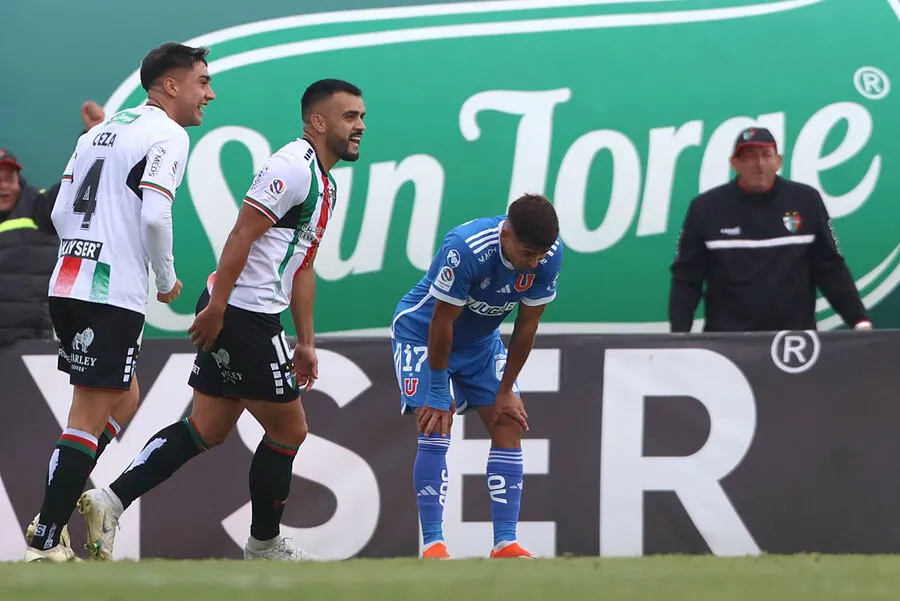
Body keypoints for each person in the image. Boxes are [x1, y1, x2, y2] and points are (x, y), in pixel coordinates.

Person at [77, 79, 366, 562]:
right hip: (241, 314)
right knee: (290, 431)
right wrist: (218, 309)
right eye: (349, 116)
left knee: (206, 428)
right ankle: (264, 545)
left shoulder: (326, 183)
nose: (359, 126)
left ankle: (110, 500)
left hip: (245, 312)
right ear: (318, 122)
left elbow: (303, 267)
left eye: (361, 117)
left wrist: (306, 342)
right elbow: (240, 235)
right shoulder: (292, 167)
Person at [23, 42, 216, 562]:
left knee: (124, 399)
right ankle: (45, 540)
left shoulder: (99, 132)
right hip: (107, 292)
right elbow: (154, 215)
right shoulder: (169, 134)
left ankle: (54, 509)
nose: (210, 94)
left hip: (69, 282)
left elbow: (60, 212)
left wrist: (86, 250)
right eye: (202, 82)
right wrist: (165, 277)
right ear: (170, 85)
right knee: (86, 416)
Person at [390, 194, 563, 559]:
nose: (534, 262)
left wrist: (506, 389)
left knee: (509, 421)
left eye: (540, 254)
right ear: (506, 234)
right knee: (436, 422)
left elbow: (527, 326)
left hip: (481, 343)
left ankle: (505, 543)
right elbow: (441, 320)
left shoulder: (548, 255)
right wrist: (438, 388)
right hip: (422, 333)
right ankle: (433, 545)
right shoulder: (466, 248)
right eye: (528, 253)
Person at [668, 126, 872, 333]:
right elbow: (687, 278)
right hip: (728, 339)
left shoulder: (806, 201)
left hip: (794, 339)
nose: (759, 164)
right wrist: (679, 334)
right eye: (749, 156)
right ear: (734, 163)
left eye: (766, 155)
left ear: (778, 161)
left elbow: (830, 268)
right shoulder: (705, 208)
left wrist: (859, 320)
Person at [0, 150, 59, 348]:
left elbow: (77, 188)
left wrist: (90, 140)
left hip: (33, 341)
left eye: (9, 178)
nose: (3, 186)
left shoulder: (40, 205)